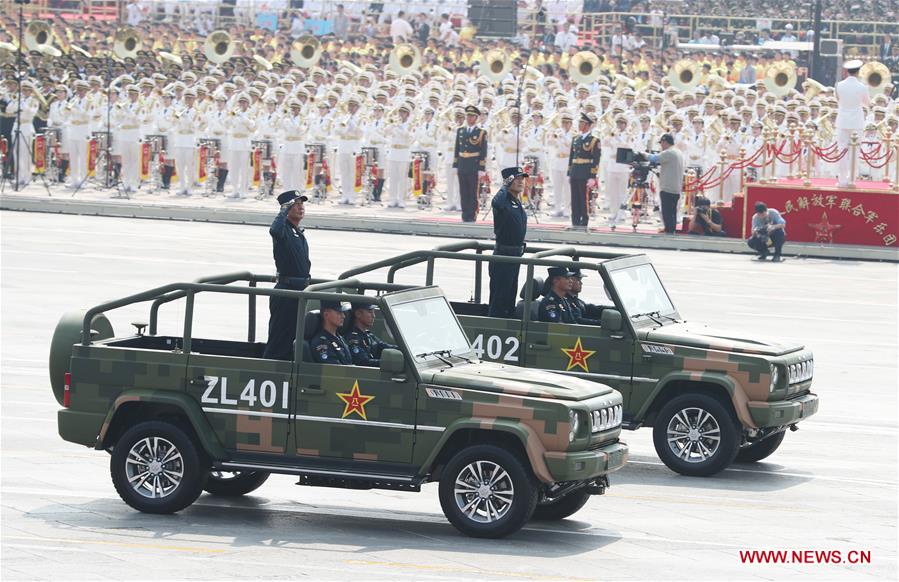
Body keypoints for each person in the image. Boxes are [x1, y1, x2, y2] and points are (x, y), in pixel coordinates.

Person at [263, 191, 312, 360]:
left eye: (302, 204)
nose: (300, 207)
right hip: (286, 292)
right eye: (295, 204)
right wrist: (283, 210)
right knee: (279, 339)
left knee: (292, 337)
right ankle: (267, 372)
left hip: (298, 291)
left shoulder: (297, 232)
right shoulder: (283, 229)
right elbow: (274, 230)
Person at [488, 166, 528, 318]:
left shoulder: (516, 202)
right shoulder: (503, 201)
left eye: (522, 179)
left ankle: (507, 322)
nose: (520, 182)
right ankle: (496, 325)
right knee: (499, 298)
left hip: (515, 256)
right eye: (516, 179)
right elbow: (496, 203)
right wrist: (505, 186)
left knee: (510, 296)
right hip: (503, 256)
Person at [835, 59, 871, 187]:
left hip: (843, 120)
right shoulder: (862, 87)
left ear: (847, 72)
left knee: (842, 151)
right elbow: (867, 103)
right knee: (855, 151)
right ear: (858, 72)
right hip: (856, 121)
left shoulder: (838, 85)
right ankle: (852, 180)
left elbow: (838, 101)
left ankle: (842, 180)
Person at [453, 105, 487, 222]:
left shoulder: (481, 132)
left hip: (474, 165)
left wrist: (481, 167)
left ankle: (472, 215)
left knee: (473, 192)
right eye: (467, 116)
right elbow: (457, 148)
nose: (469, 118)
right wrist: (455, 164)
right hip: (462, 164)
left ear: (476, 118)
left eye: (472, 116)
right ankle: (464, 214)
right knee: (463, 191)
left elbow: (483, 151)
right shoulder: (460, 131)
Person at [644, 134, 685, 234]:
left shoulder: (669, 152)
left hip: (668, 186)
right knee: (672, 211)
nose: (661, 146)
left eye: (661, 143)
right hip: (675, 186)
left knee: (667, 211)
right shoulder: (678, 152)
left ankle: (669, 231)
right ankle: (670, 228)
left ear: (665, 142)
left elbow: (653, 158)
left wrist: (643, 154)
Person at [568, 112, 601, 230]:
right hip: (575, 171)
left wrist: (592, 176)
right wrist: (569, 172)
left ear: (587, 125)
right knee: (574, 198)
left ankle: (583, 221)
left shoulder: (594, 140)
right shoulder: (576, 139)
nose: (579, 125)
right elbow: (571, 157)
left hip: (585, 172)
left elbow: (596, 159)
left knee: (583, 198)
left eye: (581, 123)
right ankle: (575, 221)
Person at [309, 300, 353, 364]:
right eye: (339, 313)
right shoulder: (321, 343)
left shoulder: (338, 337)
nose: (343, 316)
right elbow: (334, 370)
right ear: (326, 315)